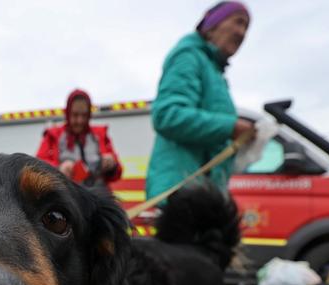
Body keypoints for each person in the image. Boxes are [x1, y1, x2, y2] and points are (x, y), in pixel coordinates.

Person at [146, 2, 254, 200]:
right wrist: (231, 127)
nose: (242, 32)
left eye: (246, 27)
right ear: (212, 24)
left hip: (206, 194)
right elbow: (166, 115)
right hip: (182, 193)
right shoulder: (189, 56)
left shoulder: (216, 73)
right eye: (238, 22)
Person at [36, 89, 122, 184]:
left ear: (89, 114)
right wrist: (58, 169)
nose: (80, 121)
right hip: (65, 196)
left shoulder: (100, 135)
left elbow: (118, 172)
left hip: (97, 196)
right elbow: (36, 168)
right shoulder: (52, 135)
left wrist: (112, 165)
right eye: (75, 115)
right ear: (68, 113)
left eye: (84, 115)